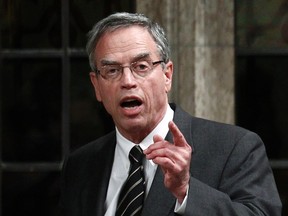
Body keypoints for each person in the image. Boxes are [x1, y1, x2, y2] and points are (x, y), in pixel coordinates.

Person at [59, 12, 282, 216]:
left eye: (141, 67)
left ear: (167, 75)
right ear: (96, 85)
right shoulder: (80, 165)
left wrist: (186, 191)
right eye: (112, 71)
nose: (127, 81)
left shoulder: (235, 147)